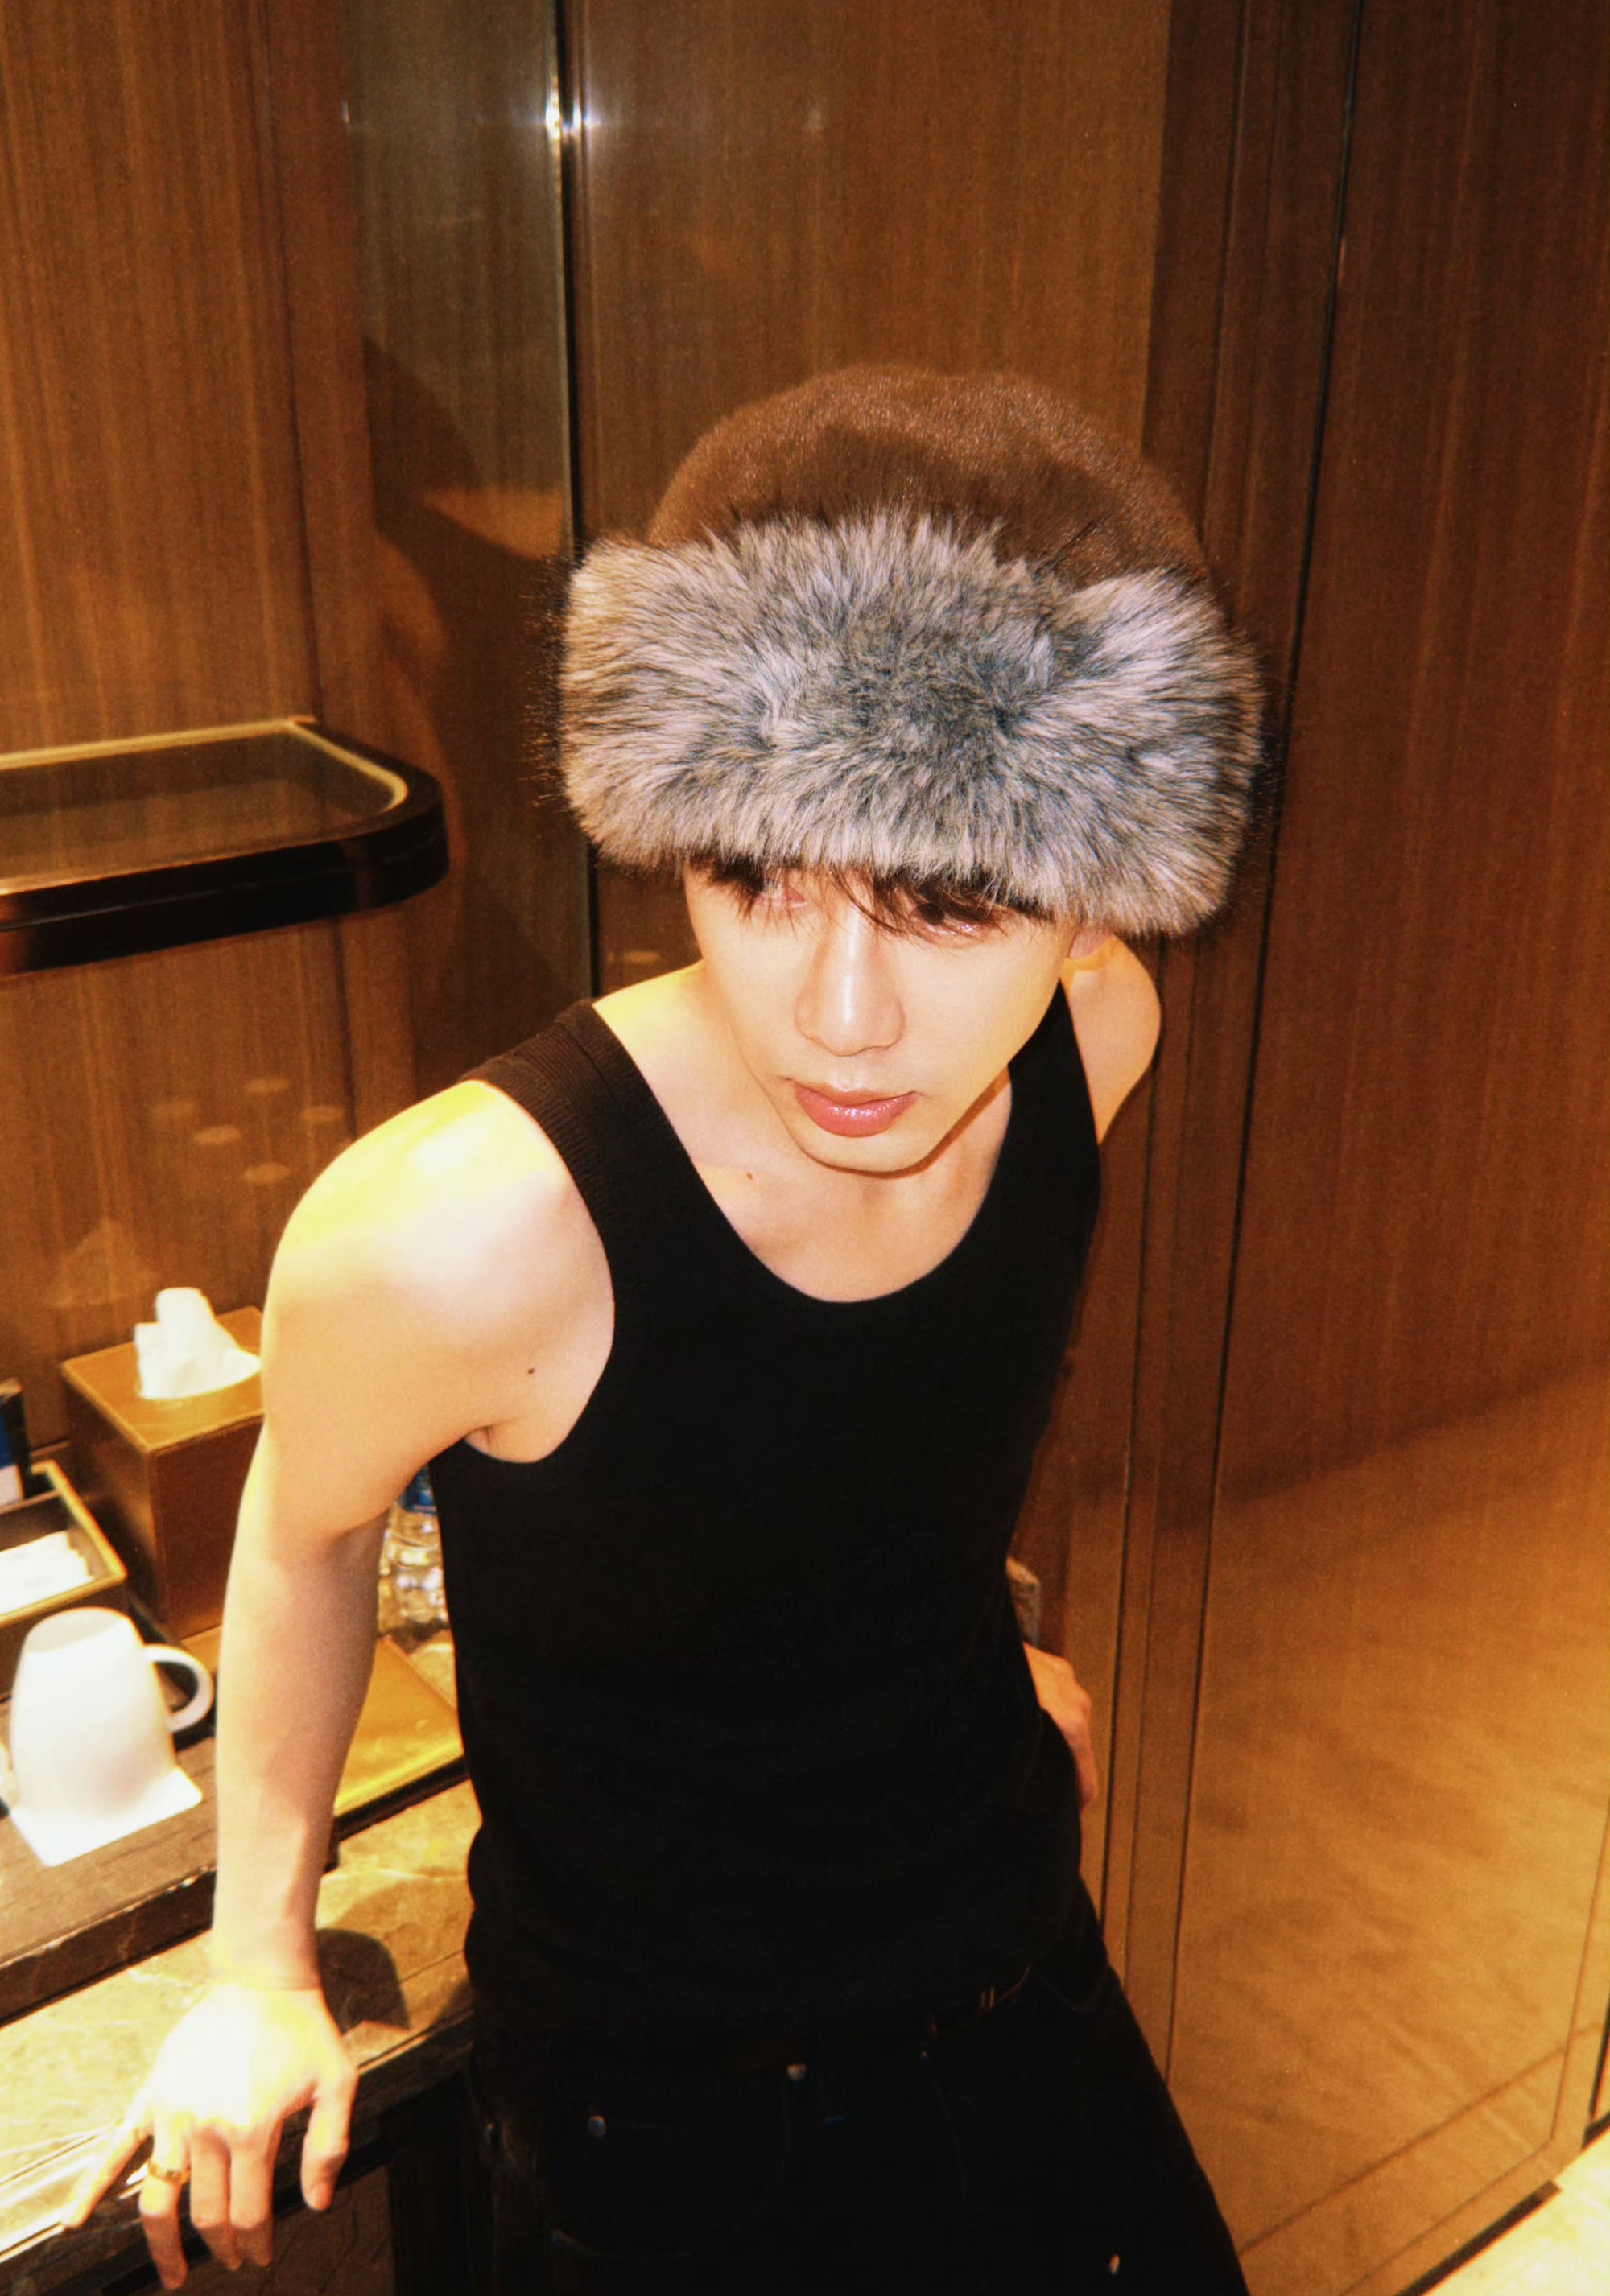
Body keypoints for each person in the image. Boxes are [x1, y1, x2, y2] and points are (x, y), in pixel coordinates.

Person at [63, 367, 1261, 2293]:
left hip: (1030, 1987)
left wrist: (959, 1639)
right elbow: (299, 1527)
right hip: (675, 2120)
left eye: (951, 900)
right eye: (756, 875)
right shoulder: (461, 1233)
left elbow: (870, 1424)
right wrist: (258, 1962)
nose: (841, 1015)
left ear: (1093, 897)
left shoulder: (1093, 1040)